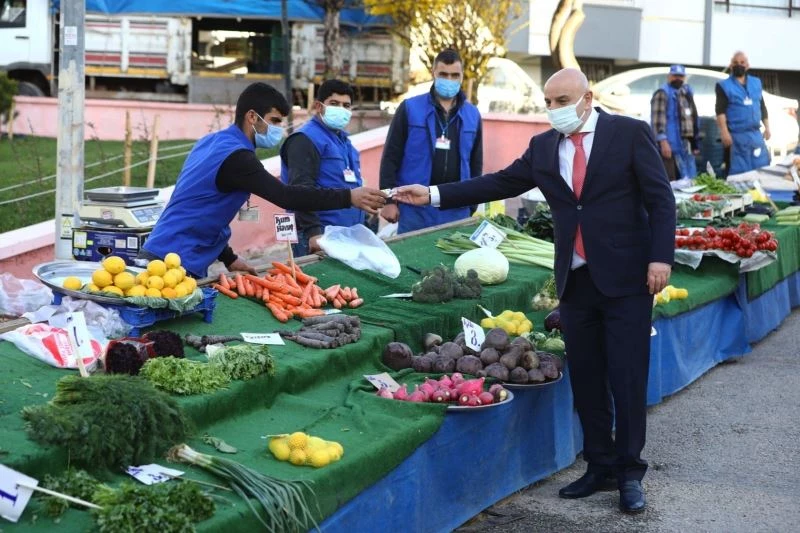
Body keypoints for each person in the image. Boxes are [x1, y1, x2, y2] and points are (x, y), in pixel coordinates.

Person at [393, 68, 675, 514]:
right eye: (548, 101)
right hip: (576, 281)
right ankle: (599, 465)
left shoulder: (629, 134)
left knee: (626, 378)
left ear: (588, 97)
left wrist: (660, 258)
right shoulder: (545, 147)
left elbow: (661, 200)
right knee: (585, 378)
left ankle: (629, 473)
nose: (554, 109)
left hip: (627, 280)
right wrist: (430, 195)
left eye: (562, 99)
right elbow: (499, 182)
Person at [141, 82, 386, 278]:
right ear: (252, 117)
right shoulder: (238, 158)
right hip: (174, 262)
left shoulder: (212, 141)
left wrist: (229, 258)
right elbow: (286, 195)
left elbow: (202, 207)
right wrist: (348, 197)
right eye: (274, 121)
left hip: (165, 250)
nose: (279, 129)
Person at [379, 48, 483, 234]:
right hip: (414, 209)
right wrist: (388, 201)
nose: (449, 80)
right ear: (434, 73)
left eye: (454, 75)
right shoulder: (410, 108)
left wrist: (472, 203)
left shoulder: (473, 114)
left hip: (456, 208)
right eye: (443, 74)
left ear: (461, 77)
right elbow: (390, 157)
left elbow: (476, 162)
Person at [280, 79, 365, 256]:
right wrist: (313, 233)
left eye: (346, 105)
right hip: (318, 237)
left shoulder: (344, 142)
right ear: (319, 106)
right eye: (334, 104)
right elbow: (300, 189)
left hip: (347, 235)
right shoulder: (305, 139)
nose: (341, 109)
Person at [716, 51, 771, 176]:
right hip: (736, 135)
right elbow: (720, 111)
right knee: (738, 173)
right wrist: (724, 132)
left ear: (747, 65)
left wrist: (767, 127)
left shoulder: (756, 83)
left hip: (755, 135)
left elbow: (762, 106)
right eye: (735, 63)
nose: (739, 65)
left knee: (761, 169)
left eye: (742, 62)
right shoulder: (724, 86)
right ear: (731, 65)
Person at [650, 64, 700, 180]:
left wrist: (694, 143)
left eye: (680, 76)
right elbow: (657, 121)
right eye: (675, 76)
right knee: (672, 181)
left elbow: (693, 117)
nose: (678, 79)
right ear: (669, 76)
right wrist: (663, 142)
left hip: (685, 146)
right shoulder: (662, 93)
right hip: (669, 147)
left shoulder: (686, 92)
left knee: (690, 180)